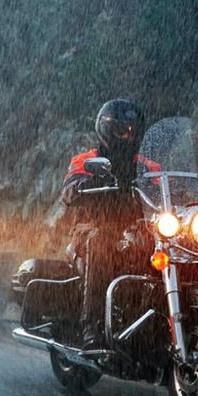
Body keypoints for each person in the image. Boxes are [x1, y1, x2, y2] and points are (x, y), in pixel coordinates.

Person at [61, 98, 157, 349]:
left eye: (132, 131)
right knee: (101, 242)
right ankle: (91, 327)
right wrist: (85, 186)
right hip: (92, 227)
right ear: (106, 130)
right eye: (121, 130)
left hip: (137, 228)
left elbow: (168, 188)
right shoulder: (87, 159)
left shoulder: (147, 165)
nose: (127, 136)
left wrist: (191, 197)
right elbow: (69, 191)